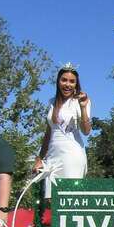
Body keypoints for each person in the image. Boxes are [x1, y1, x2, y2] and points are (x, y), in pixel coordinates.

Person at [32, 64, 92, 197]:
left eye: (72, 81)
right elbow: (48, 133)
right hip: (53, 157)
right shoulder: (52, 102)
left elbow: (86, 131)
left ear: (76, 84)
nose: (67, 84)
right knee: (52, 200)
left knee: (69, 199)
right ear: (58, 81)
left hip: (71, 156)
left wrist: (83, 107)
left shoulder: (80, 101)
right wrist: (39, 158)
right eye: (64, 80)